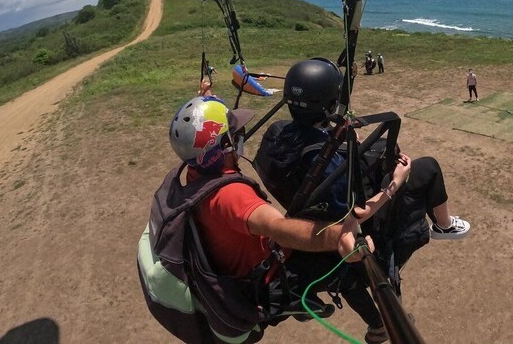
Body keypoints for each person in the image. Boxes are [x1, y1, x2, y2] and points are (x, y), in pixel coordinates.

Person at [168, 95, 386, 342]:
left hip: (237, 265)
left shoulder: (196, 174)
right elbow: (278, 228)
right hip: (266, 279)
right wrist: (339, 237)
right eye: (234, 133)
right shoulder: (231, 196)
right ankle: (378, 326)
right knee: (342, 268)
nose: (240, 135)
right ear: (223, 147)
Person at [255, 59, 470, 265]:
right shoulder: (325, 166)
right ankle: (444, 225)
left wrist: (334, 137)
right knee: (428, 167)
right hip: (342, 219)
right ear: (329, 105)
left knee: (382, 146)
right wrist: (393, 185)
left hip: (301, 203)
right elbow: (355, 216)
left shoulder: (276, 133)